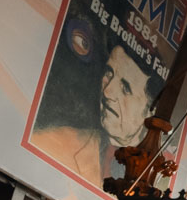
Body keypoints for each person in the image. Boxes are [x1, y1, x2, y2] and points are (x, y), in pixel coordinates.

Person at [31, 41, 158, 187]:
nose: (107, 92)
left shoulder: (151, 183)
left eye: (125, 88)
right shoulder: (52, 142)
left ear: (150, 112)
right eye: (109, 73)